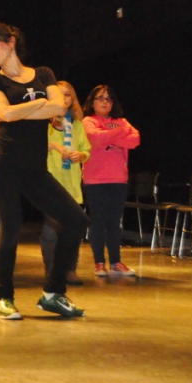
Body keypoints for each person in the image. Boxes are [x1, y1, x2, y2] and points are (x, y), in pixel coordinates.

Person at [0, 23, 90, 320]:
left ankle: (53, 293)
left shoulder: (43, 74)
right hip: (2, 162)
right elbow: (4, 113)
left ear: (11, 42)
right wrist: (40, 102)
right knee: (11, 227)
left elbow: (59, 108)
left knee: (76, 220)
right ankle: (4, 298)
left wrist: (28, 109)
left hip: (34, 167)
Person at [82, 85, 141, 277]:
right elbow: (95, 138)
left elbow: (135, 140)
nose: (105, 102)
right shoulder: (88, 121)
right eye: (100, 98)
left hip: (118, 179)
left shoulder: (121, 121)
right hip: (95, 179)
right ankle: (99, 263)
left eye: (108, 98)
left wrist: (109, 136)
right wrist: (119, 134)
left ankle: (116, 262)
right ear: (92, 102)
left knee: (114, 222)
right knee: (98, 221)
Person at [39, 80, 90, 285]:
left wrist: (80, 155)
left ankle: (70, 270)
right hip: (50, 184)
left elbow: (86, 150)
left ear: (72, 99)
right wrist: (54, 146)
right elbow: (33, 148)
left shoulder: (77, 125)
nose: (63, 98)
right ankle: (52, 271)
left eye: (67, 94)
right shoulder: (42, 123)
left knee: (72, 229)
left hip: (71, 185)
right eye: (59, 94)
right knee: (50, 231)